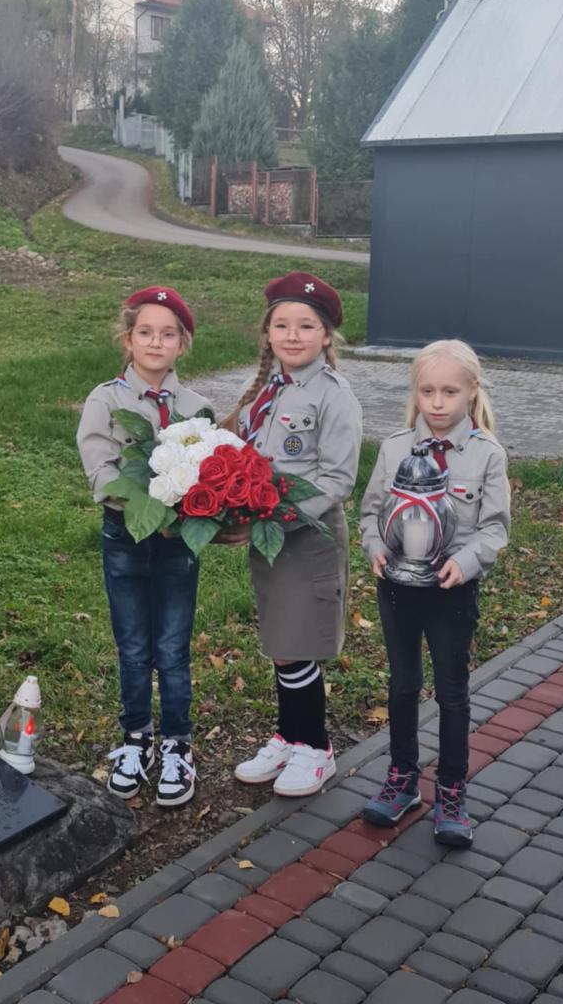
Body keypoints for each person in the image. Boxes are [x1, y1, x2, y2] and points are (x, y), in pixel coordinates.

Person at [359, 339, 510, 846]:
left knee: (451, 691)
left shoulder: (487, 455)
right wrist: (376, 547)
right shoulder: (394, 448)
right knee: (402, 684)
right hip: (398, 590)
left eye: (450, 391)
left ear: (472, 392)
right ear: (416, 393)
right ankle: (402, 779)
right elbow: (370, 512)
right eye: (428, 391)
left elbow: (495, 528)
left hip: (451, 593)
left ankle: (451, 792)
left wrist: (465, 563)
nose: (438, 402)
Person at [76, 286, 212, 807]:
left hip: (177, 543)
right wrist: (146, 507)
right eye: (146, 332)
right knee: (133, 646)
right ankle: (136, 738)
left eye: (168, 334)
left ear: (183, 344)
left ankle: (177, 743)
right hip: (126, 537)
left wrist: (191, 511)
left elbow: (208, 472)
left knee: (173, 647)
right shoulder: (105, 400)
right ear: (128, 339)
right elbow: (102, 470)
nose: (156, 342)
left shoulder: (195, 408)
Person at [228, 272, 362, 796]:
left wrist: (271, 517)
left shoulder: (333, 395)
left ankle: (315, 747)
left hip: (308, 535)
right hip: (271, 538)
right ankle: (289, 736)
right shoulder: (266, 389)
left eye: (306, 325)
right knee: (282, 643)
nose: (292, 335)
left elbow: (337, 479)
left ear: (326, 335)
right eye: (281, 324)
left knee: (298, 642)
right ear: (268, 332)